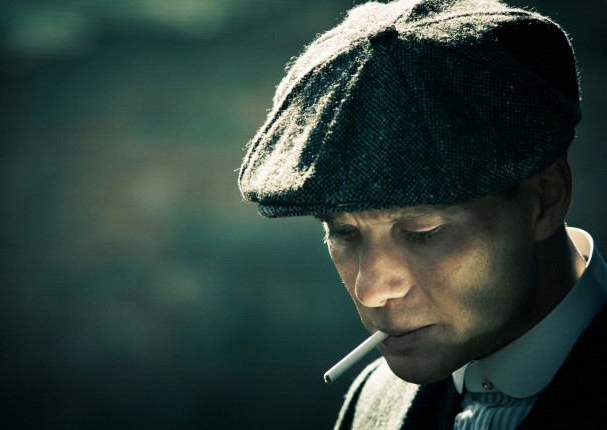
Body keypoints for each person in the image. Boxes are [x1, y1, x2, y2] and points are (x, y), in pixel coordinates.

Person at [237, 0, 607, 428]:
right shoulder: (372, 405)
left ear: (544, 198)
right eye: (343, 232)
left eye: (423, 232)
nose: (371, 290)